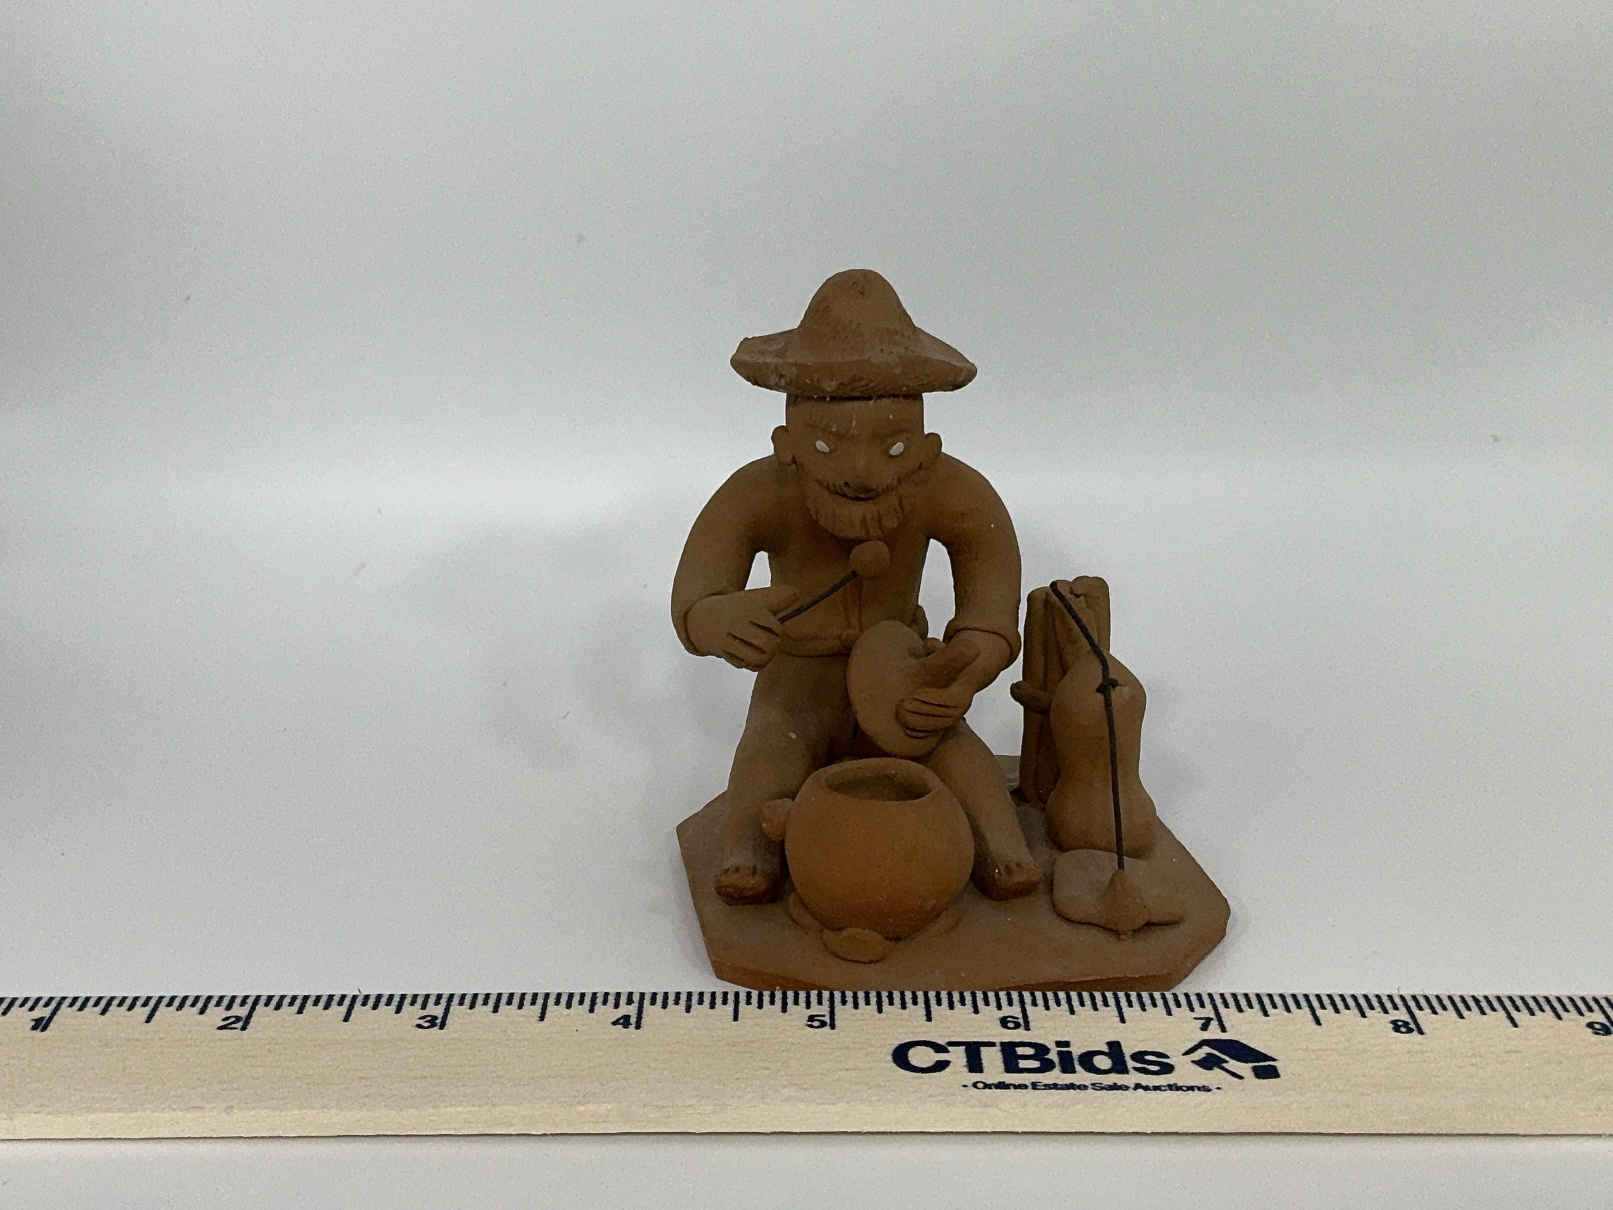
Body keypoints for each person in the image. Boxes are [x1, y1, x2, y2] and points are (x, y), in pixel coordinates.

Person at [672, 270, 1040, 906]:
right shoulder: (758, 492)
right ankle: (749, 854)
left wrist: (961, 674)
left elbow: (990, 600)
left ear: (925, 447)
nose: (863, 474)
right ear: (787, 443)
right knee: (770, 754)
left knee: (960, 759)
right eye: (827, 444)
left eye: (893, 448)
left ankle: (1005, 854)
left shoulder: (951, 489)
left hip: (904, 675)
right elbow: (696, 596)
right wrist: (715, 619)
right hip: (797, 680)